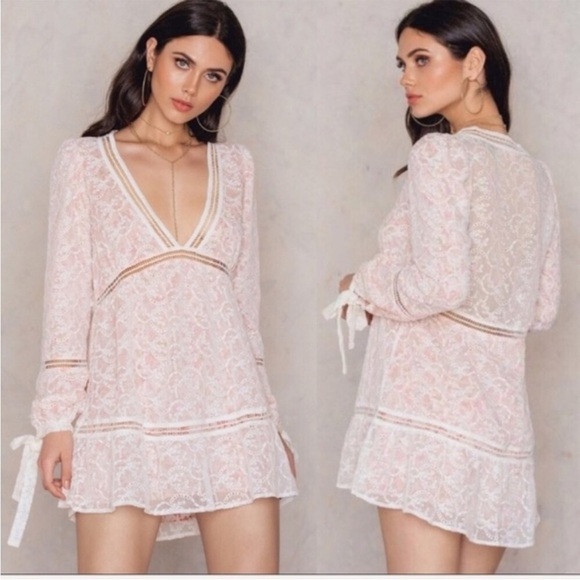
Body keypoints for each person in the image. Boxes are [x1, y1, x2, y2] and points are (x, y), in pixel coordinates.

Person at [8, 0, 297, 573]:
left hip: (232, 414)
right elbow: (67, 300)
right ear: (151, 53)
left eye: (213, 76)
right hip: (125, 411)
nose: (192, 87)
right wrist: (57, 420)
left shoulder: (236, 167)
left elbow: (244, 311)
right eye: (182, 63)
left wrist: (268, 420)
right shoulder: (86, 162)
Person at [325, 0, 560, 573]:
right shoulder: (538, 176)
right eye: (402, 63)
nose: (405, 77)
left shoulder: (440, 154)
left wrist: (362, 285)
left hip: (426, 418)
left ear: (473, 62)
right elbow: (541, 309)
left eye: (421, 59)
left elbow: (440, 285)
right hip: (498, 428)